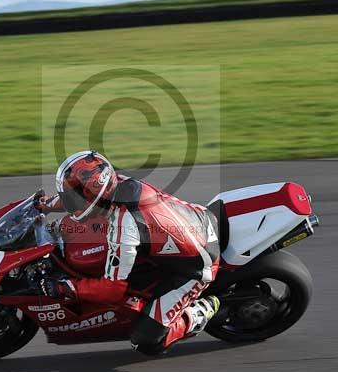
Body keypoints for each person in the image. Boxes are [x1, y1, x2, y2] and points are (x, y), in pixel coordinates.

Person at [36, 150, 221, 355]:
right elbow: (80, 197)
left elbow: (112, 289)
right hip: (193, 222)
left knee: (146, 341)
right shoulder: (117, 184)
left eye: (78, 195)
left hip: (195, 266)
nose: (74, 201)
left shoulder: (125, 224)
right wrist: (45, 204)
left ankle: (200, 312)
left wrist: (64, 287)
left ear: (96, 192)